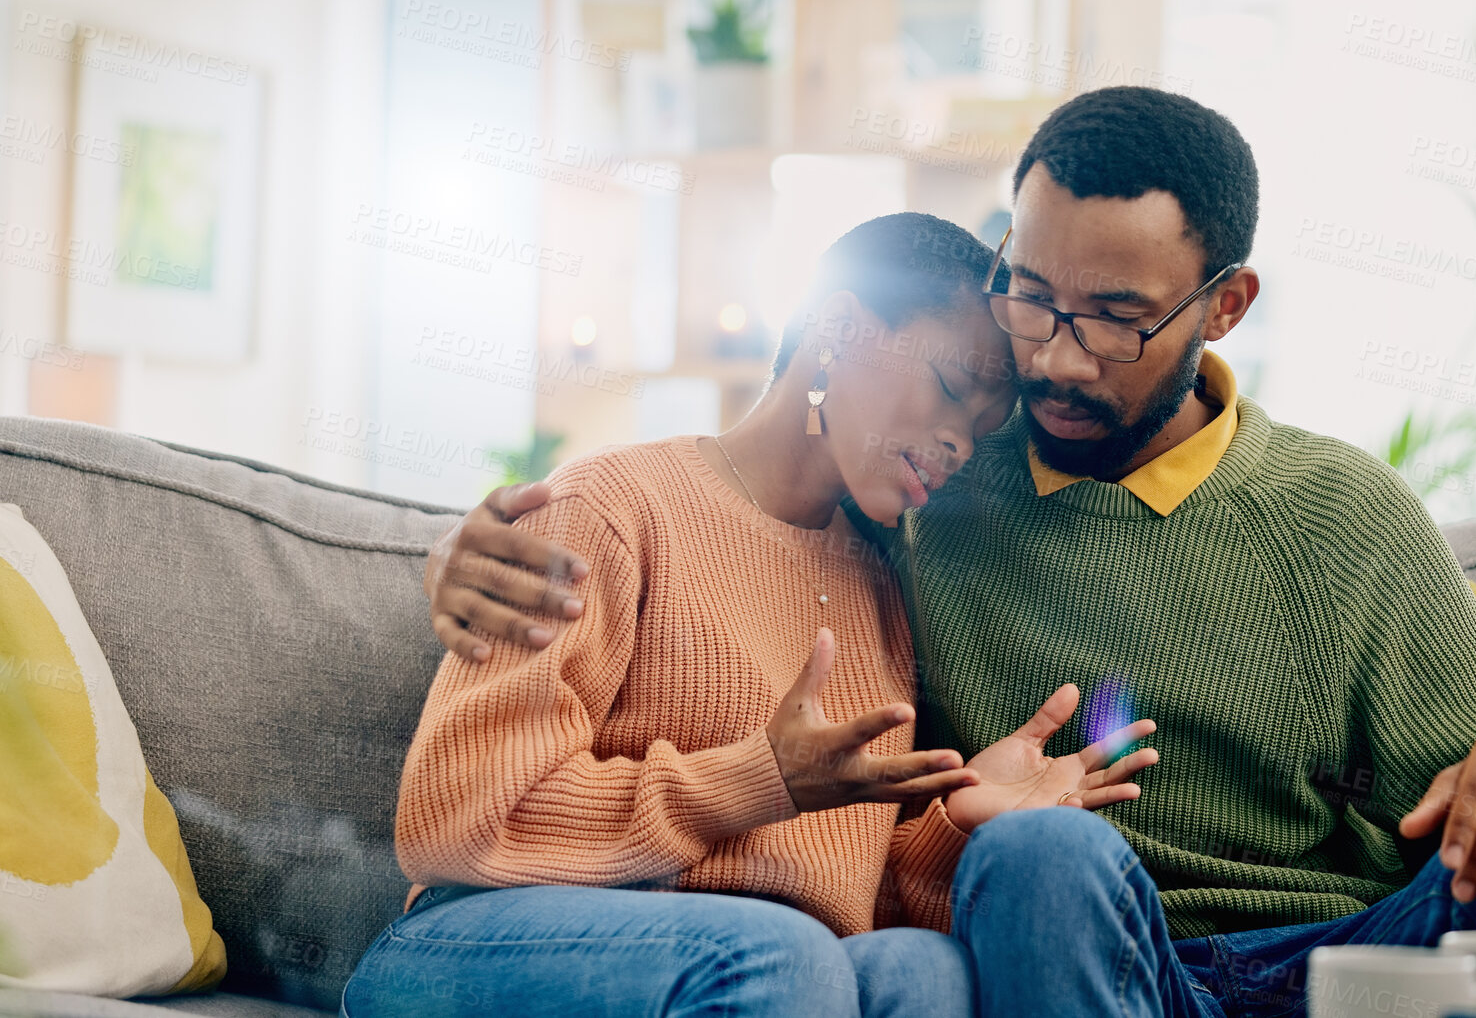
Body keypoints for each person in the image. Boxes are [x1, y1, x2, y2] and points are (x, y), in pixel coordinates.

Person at [422, 89, 1476, 1017]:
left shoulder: (1344, 517)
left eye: (1116, 318)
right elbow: (716, 515)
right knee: (1039, 851)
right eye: (1030, 294)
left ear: (1224, 306)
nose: (1054, 358)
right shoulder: (924, 502)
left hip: (1330, 960)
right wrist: (462, 553)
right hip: (1079, 941)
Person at [340, 212, 1158, 1018]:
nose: (959, 443)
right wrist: (756, 778)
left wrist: (953, 817)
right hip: (480, 940)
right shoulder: (609, 507)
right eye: (949, 388)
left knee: (923, 967)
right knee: (779, 954)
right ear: (837, 326)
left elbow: (838, 886)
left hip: (760, 973)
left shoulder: (878, 581)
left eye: (982, 428)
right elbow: (456, 820)